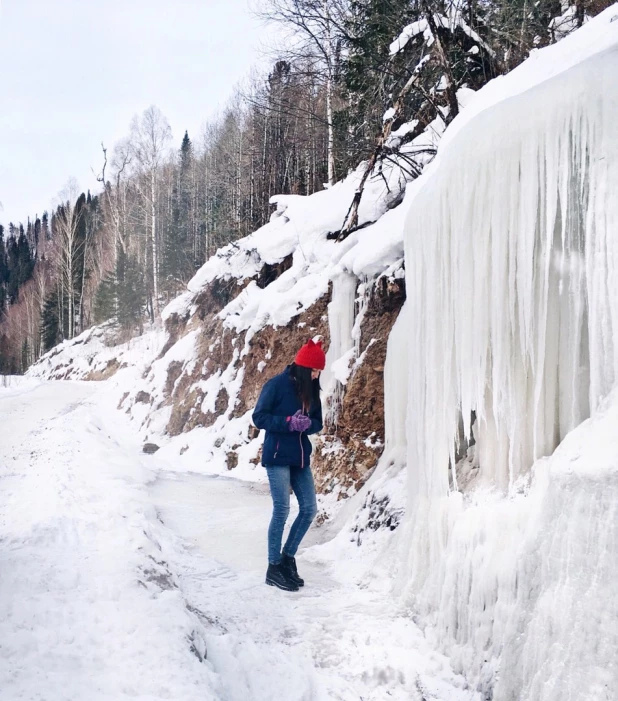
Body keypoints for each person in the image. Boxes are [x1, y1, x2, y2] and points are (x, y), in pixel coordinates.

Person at [252, 339, 325, 592]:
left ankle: (287, 559)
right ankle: (273, 568)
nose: (317, 376)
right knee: (282, 510)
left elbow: (318, 422)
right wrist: (287, 422)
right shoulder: (276, 385)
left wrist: (307, 425)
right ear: (304, 368)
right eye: (315, 371)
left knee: (309, 509)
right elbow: (259, 417)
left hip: (301, 457)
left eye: (319, 373)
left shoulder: (312, 389)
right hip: (278, 455)